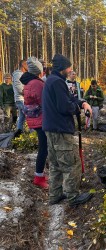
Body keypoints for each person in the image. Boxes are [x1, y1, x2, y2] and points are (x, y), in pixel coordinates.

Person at [42, 54, 93, 206]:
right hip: (60, 130)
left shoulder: (53, 81)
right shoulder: (57, 82)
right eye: (69, 67)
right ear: (63, 68)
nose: (71, 70)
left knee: (56, 164)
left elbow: (69, 99)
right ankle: (73, 197)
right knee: (72, 163)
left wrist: (82, 102)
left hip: (51, 129)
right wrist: (78, 108)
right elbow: (65, 106)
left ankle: (55, 195)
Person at [20, 57, 48, 189]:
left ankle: (40, 175)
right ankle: (39, 177)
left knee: (44, 147)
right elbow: (45, 103)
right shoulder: (37, 84)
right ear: (39, 71)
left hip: (34, 119)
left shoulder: (29, 82)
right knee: (44, 148)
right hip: (40, 120)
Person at [12, 60, 28, 137]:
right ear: (23, 65)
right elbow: (19, 88)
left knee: (22, 116)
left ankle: (19, 132)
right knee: (29, 115)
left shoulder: (22, 74)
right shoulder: (18, 74)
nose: (28, 66)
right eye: (27, 64)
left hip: (22, 99)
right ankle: (33, 133)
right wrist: (29, 93)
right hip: (21, 99)